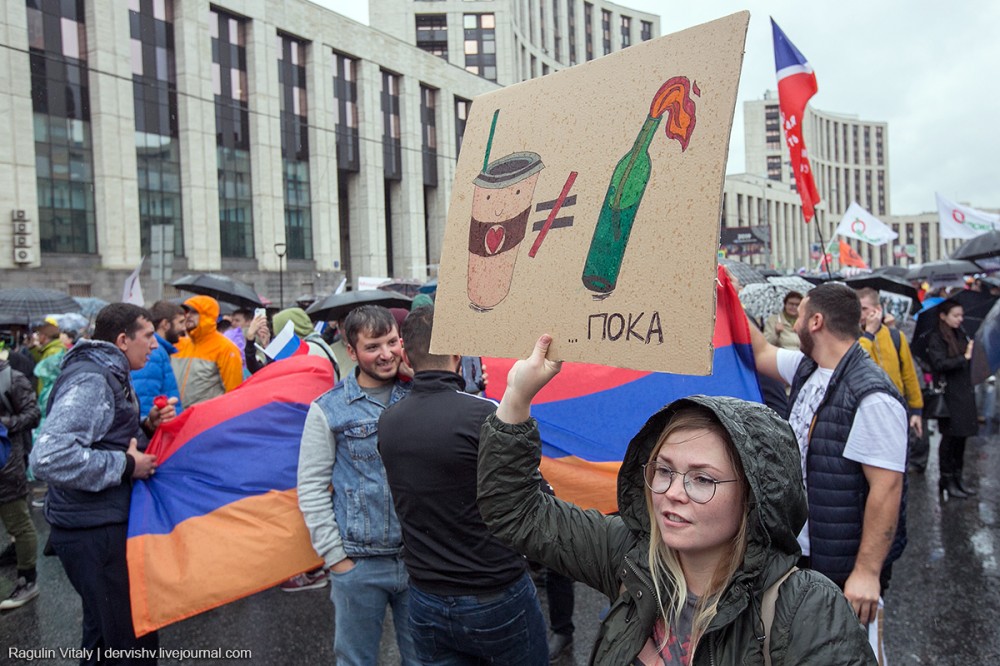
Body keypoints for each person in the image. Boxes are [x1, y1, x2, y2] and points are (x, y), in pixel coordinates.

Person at [478, 335, 874, 665]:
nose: (672, 492)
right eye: (664, 471)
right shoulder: (631, 555)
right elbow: (516, 510)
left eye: (702, 479)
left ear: (754, 496)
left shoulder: (806, 608)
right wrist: (517, 397)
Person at [379, 306, 547, 665]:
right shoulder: (483, 415)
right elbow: (529, 488)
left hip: (426, 595)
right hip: (494, 591)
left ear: (405, 357)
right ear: (458, 354)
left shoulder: (388, 422)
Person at [747, 283, 906, 645]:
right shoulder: (809, 367)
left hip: (842, 565)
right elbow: (760, 352)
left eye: (800, 315)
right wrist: (723, 290)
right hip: (805, 551)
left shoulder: (872, 395)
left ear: (816, 321)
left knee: (841, 651)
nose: (794, 323)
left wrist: (867, 572)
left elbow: (887, 487)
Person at [29, 303, 177, 664]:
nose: (155, 345)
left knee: (103, 639)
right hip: (93, 532)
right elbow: (48, 458)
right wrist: (128, 465)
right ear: (123, 340)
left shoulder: (110, 371)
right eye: (148, 336)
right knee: (129, 644)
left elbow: (104, 437)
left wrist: (146, 426)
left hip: (97, 524)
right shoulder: (92, 378)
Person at [297, 305, 417, 665]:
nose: (386, 354)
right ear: (351, 351)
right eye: (373, 346)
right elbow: (312, 488)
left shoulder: (419, 395)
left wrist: (424, 377)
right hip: (359, 564)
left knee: (425, 659)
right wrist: (336, 559)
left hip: (420, 561)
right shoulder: (328, 409)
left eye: (392, 342)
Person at [924, 299, 977, 500]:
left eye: (961, 315)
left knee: (962, 438)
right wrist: (965, 357)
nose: (960, 319)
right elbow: (939, 364)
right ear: (943, 316)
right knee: (950, 438)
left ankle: (957, 477)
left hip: (964, 392)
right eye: (955, 315)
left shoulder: (961, 333)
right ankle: (946, 479)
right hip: (949, 395)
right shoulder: (936, 337)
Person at [0, 356, 42, 610]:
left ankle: (27, 580)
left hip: (6, 465)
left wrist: (4, 423)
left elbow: (33, 415)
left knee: (18, 523)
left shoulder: (12, 378)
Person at [171, 295, 243, 406]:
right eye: (187, 311)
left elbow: (234, 393)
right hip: (178, 414)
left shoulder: (226, 348)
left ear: (207, 316)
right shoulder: (179, 344)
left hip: (208, 415)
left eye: (194, 312)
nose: (188, 315)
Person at [130, 300, 183, 419]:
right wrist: (149, 425)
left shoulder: (160, 350)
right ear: (165, 324)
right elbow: (145, 398)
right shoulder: (154, 352)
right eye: (180, 322)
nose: (184, 328)